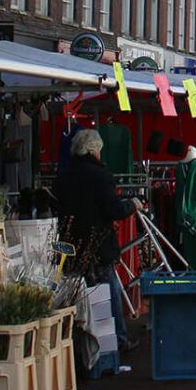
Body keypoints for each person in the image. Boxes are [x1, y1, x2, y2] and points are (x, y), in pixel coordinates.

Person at [56, 128, 144, 351]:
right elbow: (112, 209)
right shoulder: (100, 176)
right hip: (98, 244)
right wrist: (131, 205)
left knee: (79, 296)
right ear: (94, 150)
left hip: (71, 244)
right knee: (108, 293)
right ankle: (116, 340)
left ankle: (85, 342)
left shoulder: (65, 176)